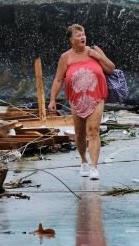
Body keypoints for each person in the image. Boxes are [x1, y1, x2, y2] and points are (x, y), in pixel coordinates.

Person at [49, 23, 115, 180]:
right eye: (78, 35)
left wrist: (99, 56)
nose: (82, 37)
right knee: (79, 133)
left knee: (93, 130)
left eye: (83, 34)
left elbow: (111, 68)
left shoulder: (94, 51)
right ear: (71, 40)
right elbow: (58, 80)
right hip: (76, 99)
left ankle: (94, 167)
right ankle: (84, 161)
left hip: (96, 97)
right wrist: (52, 99)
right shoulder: (66, 57)